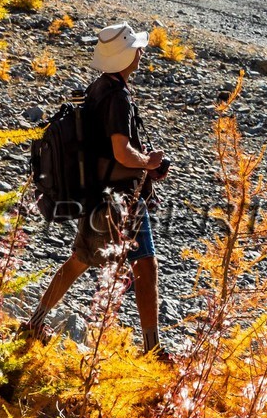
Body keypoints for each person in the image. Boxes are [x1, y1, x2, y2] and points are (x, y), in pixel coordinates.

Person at [25, 22, 167, 352]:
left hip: (96, 195)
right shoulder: (118, 98)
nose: (140, 52)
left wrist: (144, 164)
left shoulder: (98, 87)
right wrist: (148, 162)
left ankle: (35, 322)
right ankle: (153, 350)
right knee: (145, 267)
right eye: (136, 49)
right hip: (122, 199)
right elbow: (121, 152)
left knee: (80, 260)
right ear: (126, 56)